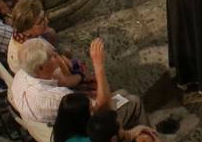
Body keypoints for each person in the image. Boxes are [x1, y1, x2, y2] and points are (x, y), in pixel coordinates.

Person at [10, 36, 143, 127]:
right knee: (133, 101)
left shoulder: (22, 75)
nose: (56, 58)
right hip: (88, 129)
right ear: (41, 67)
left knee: (122, 93)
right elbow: (101, 107)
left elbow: (65, 80)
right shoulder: (57, 97)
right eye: (52, 57)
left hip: (61, 124)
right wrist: (98, 65)